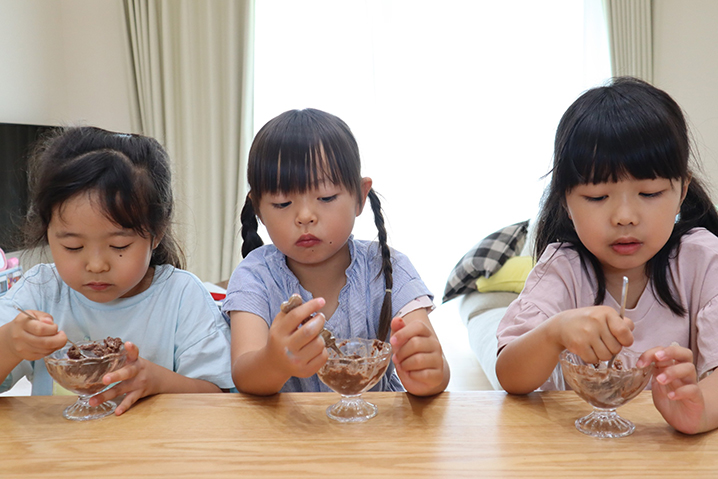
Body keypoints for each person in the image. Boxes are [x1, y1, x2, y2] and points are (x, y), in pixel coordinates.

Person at [495, 77, 718, 435]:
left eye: (650, 193)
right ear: (565, 201)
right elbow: (510, 375)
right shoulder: (563, 268)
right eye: (598, 198)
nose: (625, 216)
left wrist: (700, 409)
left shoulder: (703, 261)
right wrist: (554, 333)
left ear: (682, 192)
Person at [0, 127, 233, 415]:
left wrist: (158, 381)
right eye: (73, 246)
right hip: (61, 456)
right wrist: (10, 343)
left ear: (156, 234)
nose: (96, 265)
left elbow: (222, 397)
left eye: (119, 244)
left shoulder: (182, 297)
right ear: (47, 233)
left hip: (157, 453)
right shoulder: (41, 290)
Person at [223, 108, 450, 396]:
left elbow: (435, 369)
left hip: (374, 434)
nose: (305, 216)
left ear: (360, 197)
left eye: (326, 197)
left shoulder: (387, 267)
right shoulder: (254, 275)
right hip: (289, 435)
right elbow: (244, 375)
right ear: (258, 209)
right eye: (282, 203)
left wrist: (430, 373)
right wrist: (274, 362)